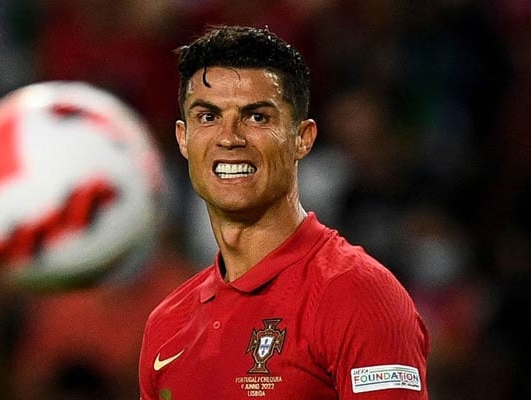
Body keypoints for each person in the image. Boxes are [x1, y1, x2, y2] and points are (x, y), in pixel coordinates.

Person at [139, 25, 429, 399]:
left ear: (302, 139)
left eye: (256, 117)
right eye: (208, 117)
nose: (229, 137)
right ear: (183, 138)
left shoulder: (358, 295)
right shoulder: (166, 324)